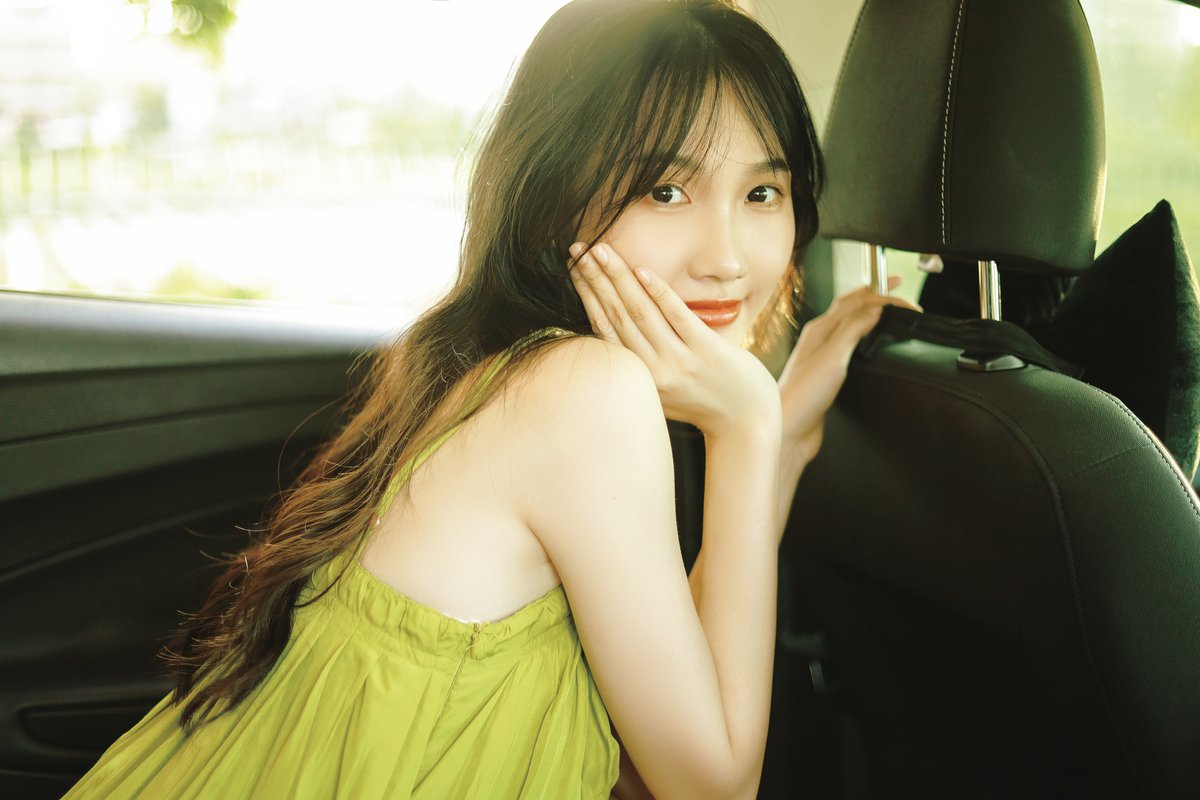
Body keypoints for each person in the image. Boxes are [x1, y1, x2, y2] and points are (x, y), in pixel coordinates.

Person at [64, 1, 914, 797]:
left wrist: (780, 436)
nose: (725, 258)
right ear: (555, 197)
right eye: (664, 190)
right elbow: (707, 783)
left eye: (763, 193)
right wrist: (750, 427)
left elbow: (650, 721)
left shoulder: (486, 363)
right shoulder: (582, 392)